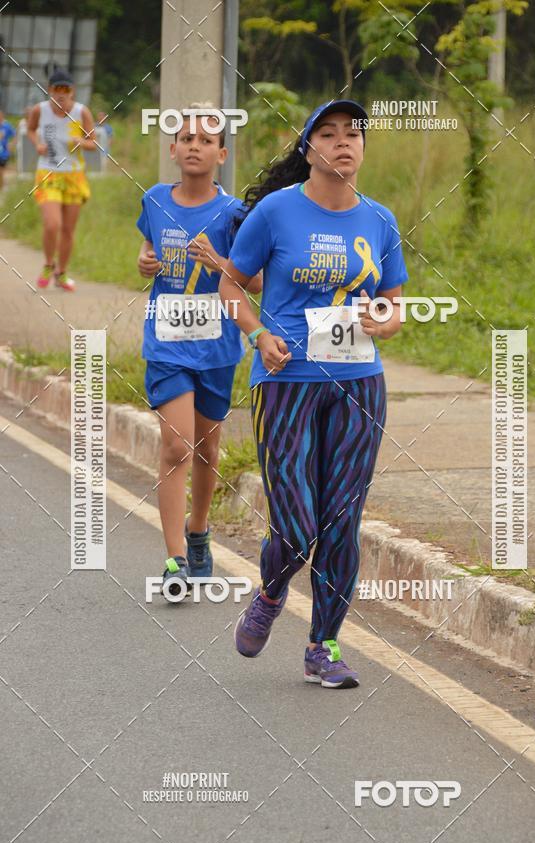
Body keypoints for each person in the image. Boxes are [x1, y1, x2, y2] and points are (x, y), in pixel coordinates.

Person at [219, 100, 409, 689]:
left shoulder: (379, 220)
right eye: (328, 134)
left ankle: (323, 647)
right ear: (309, 149)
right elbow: (230, 283)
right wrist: (258, 333)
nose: (343, 143)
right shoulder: (276, 212)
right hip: (286, 384)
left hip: (358, 385)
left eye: (353, 134)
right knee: (297, 526)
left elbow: (395, 305)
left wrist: (382, 320)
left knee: (343, 522)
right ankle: (270, 595)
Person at [136, 108, 262, 598]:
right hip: (166, 342)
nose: (194, 145)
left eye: (206, 140)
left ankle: (198, 529)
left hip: (217, 346)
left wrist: (220, 261)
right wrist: (144, 262)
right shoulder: (153, 200)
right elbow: (149, 254)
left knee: (208, 448)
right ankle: (173, 560)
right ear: (172, 149)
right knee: (176, 445)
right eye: (185, 137)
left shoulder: (235, 214)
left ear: (221, 155)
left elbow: (256, 281)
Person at [27, 68, 96, 291]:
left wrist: (81, 142)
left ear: (72, 91)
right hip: (48, 172)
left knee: (67, 229)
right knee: (52, 224)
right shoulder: (40, 110)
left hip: (74, 175)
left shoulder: (81, 112)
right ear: (49, 90)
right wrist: (37, 144)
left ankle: (62, 273)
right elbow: (30, 129)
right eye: (57, 89)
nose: (61, 94)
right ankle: (48, 264)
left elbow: (93, 143)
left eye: (65, 89)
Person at [0, 110, 16, 189]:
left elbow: (15, 135)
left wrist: (12, 145)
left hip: (3, 153)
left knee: (2, 170)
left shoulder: (6, 126)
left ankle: (2, 187)